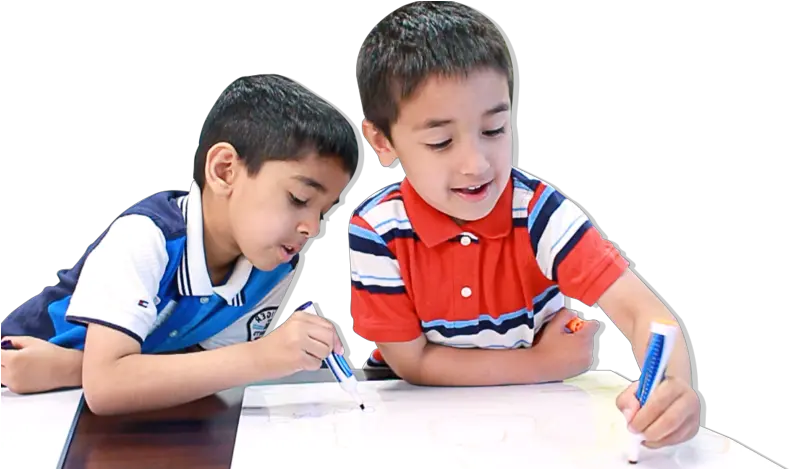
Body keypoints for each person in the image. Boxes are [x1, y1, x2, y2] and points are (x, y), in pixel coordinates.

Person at [349, 0, 701, 450]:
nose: (476, 165)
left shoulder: (539, 214)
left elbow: (643, 313)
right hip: (415, 421)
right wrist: (543, 363)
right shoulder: (378, 230)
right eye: (440, 141)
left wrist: (674, 391)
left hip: (536, 422)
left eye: (494, 130)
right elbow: (410, 363)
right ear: (383, 140)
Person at [0, 73, 364, 415]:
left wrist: (70, 369)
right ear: (224, 171)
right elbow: (106, 388)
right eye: (299, 198)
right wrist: (262, 356)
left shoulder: (274, 266)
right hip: (18, 397)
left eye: (324, 211)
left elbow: (200, 366)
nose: (313, 228)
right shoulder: (147, 237)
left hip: (98, 411)